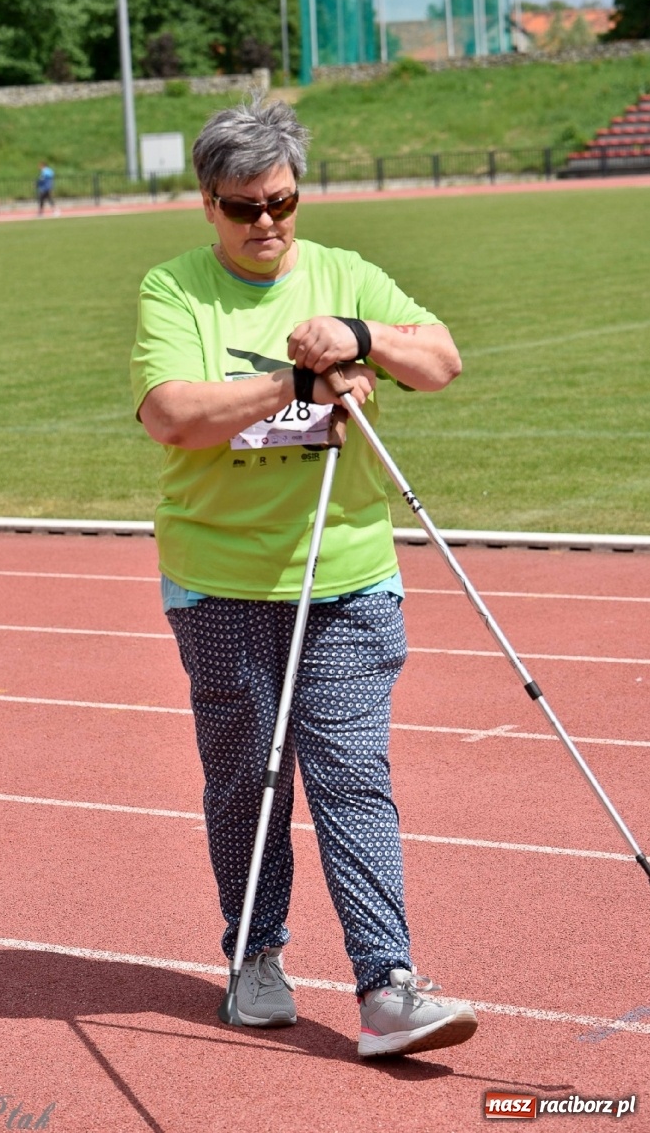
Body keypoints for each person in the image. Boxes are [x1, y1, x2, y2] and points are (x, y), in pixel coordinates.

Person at [130, 98, 477, 1058]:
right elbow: (172, 413)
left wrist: (359, 337)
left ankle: (388, 984)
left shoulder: (341, 272)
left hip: (349, 572)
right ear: (207, 205)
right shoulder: (174, 289)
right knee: (248, 783)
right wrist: (294, 382)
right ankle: (254, 956)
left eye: (280, 201)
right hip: (221, 579)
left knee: (352, 775)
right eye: (242, 208)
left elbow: (440, 361)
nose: (266, 224)